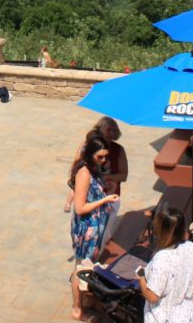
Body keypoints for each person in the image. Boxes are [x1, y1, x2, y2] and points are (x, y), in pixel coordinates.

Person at [69, 135, 119, 323]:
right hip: (86, 228)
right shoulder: (84, 173)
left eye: (105, 157)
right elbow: (80, 207)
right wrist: (105, 199)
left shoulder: (94, 168)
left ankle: (88, 301)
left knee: (90, 265)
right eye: (100, 157)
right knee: (81, 267)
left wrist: (102, 188)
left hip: (95, 225)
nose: (103, 160)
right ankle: (77, 309)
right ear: (90, 154)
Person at [64, 117, 130, 252]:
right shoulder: (86, 147)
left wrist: (103, 177)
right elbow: (77, 168)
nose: (111, 134)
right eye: (108, 130)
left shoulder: (119, 150)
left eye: (114, 130)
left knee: (105, 236)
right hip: (91, 203)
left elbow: (123, 175)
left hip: (111, 197)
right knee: (88, 247)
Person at [137, 206, 193, 323]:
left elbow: (152, 296)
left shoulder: (161, 258)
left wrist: (141, 278)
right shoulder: (191, 248)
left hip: (163, 317)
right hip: (189, 316)